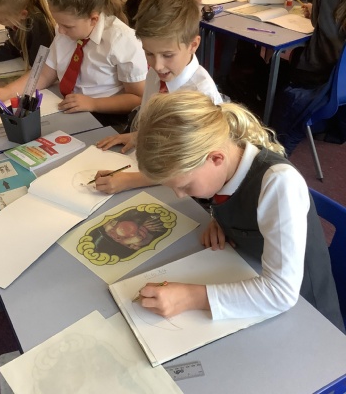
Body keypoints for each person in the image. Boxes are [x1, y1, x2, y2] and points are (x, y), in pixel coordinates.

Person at [133, 90, 344, 332]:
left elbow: (282, 294)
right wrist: (219, 219)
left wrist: (190, 297)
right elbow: (234, 197)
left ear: (216, 159)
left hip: (310, 316)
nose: (180, 195)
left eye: (186, 186)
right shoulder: (225, 167)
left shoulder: (279, 184)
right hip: (250, 276)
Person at [94, 0, 222, 194]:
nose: (157, 65)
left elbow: (190, 167)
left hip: (181, 188)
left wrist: (130, 181)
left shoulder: (201, 97)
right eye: (149, 54)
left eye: (167, 55)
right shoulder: (157, 74)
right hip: (149, 165)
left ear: (193, 45)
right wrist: (138, 136)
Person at [0, 0, 147, 119]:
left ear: (93, 19)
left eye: (67, 26)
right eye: (58, 23)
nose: (60, 31)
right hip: (68, 109)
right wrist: (8, 91)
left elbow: (138, 98)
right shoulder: (66, 31)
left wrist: (94, 103)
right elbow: (44, 74)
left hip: (104, 117)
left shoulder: (121, 41)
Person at [272, 0, 346, 154]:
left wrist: (317, 12)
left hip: (323, 77)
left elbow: (319, 26)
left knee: (278, 69)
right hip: (342, 82)